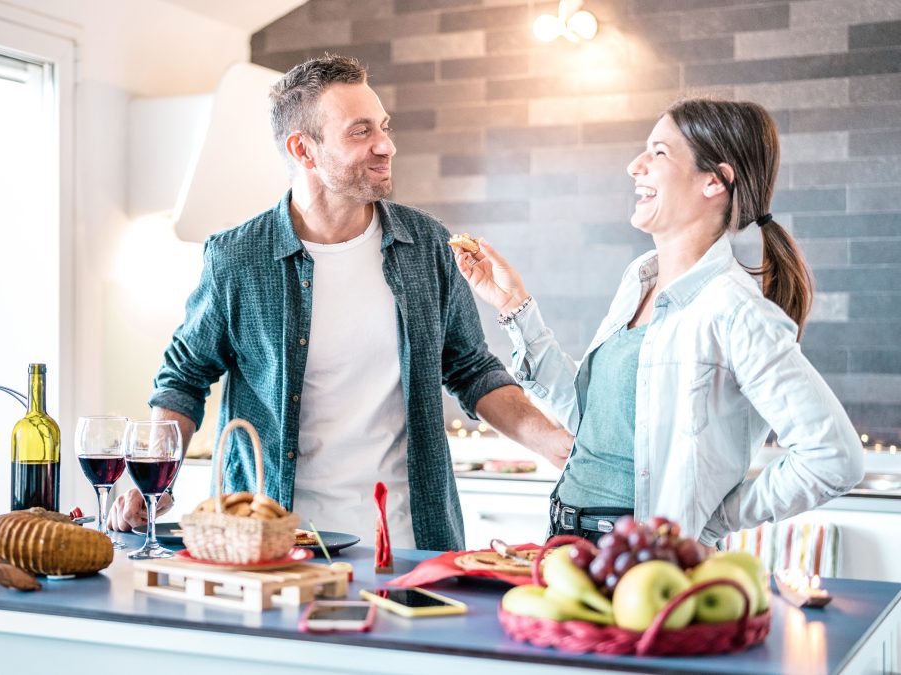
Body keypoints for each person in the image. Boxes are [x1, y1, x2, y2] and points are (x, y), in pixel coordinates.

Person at [108, 54, 572, 552]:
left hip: (411, 540)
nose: (386, 145)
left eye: (384, 127)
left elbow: (471, 368)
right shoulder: (238, 258)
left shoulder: (427, 246)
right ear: (303, 150)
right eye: (360, 131)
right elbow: (184, 376)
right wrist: (152, 476)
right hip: (272, 544)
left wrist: (560, 448)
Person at [454, 98, 863, 547]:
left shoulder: (734, 311)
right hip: (565, 542)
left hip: (642, 562)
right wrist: (516, 306)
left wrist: (712, 519)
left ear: (714, 181)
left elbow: (834, 457)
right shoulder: (639, 282)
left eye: (660, 152)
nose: (635, 165)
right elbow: (592, 424)